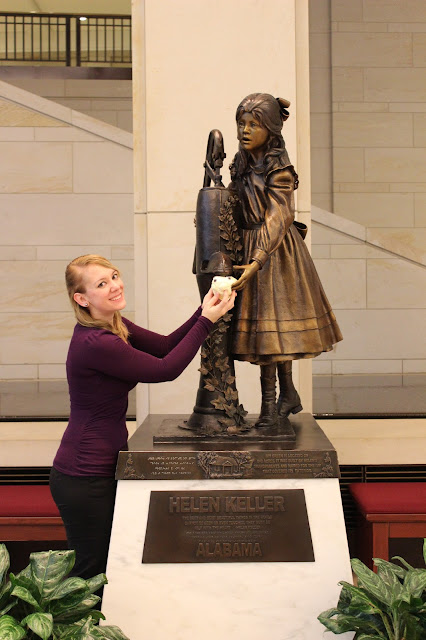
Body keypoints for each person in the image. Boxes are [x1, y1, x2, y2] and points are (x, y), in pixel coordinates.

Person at [50, 254, 235, 587]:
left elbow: (164, 347)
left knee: (105, 569)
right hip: (83, 474)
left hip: (99, 469)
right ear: (82, 299)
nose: (115, 286)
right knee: (90, 575)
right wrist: (207, 321)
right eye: (101, 284)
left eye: (114, 276)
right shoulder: (96, 342)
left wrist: (203, 309)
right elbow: (165, 370)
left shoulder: (114, 325)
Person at [230, 93, 342, 431]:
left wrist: (257, 258)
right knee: (272, 332)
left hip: (275, 252)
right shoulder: (242, 160)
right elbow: (236, 202)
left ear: (271, 129)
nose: (245, 130)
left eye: (253, 125)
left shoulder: (279, 167)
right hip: (251, 246)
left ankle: (269, 410)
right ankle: (288, 395)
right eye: (242, 123)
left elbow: (280, 215)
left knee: (270, 333)